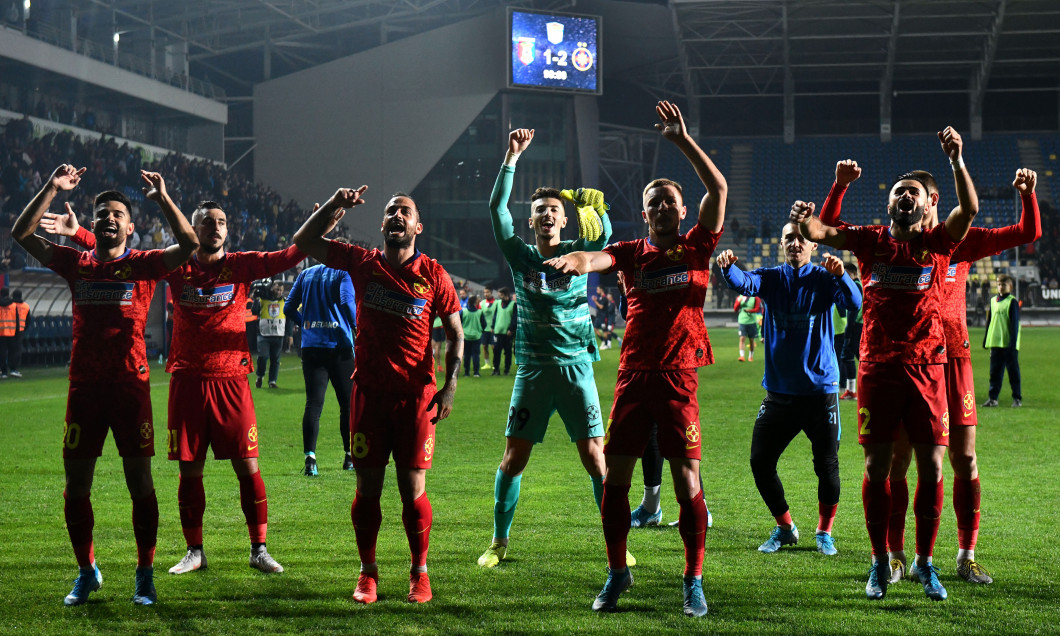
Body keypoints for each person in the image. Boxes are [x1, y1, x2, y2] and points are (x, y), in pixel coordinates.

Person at [43, 199, 304, 578]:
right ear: (192, 230)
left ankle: (259, 548)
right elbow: (118, 257)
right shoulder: (177, 267)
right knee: (189, 471)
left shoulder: (241, 265)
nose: (215, 227)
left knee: (248, 467)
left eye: (221, 221)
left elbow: (289, 255)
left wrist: (322, 222)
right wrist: (82, 235)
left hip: (232, 381)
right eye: (207, 222)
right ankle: (194, 550)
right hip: (187, 381)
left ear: (228, 230)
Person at [545, 101, 726, 617]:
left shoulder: (696, 247)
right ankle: (617, 571)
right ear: (644, 214)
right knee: (616, 480)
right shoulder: (630, 253)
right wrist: (571, 260)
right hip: (632, 379)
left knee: (687, 480)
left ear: (682, 210)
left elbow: (719, 191)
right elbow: (592, 258)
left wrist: (682, 141)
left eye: (669, 200)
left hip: (678, 379)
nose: (662, 207)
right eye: (654, 202)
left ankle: (693, 579)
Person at [819, 163, 1039, 585]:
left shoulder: (960, 241)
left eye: (921, 195)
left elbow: (1026, 233)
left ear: (933, 200)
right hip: (908, 362)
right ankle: (897, 557)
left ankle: (964, 555)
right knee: (898, 460)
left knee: (964, 459)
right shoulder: (901, 243)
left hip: (952, 360)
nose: (915, 202)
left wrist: (1028, 195)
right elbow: (829, 228)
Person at [793, 125, 979, 602]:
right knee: (878, 467)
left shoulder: (937, 242)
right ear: (890, 203)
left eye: (911, 191)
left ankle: (925, 562)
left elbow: (969, 211)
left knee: (932, 468)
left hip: (928, 368)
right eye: (897, 192)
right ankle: (880, 562)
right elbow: (820, 231)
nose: (903, 196)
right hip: (877, 368)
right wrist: (827, 197)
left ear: (924, 202)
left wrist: (956, 160)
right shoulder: (872, 241)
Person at [13, 164, 198, 606]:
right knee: (77, 485)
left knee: (140, 483)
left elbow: (190, 244)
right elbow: (22, 233)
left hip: (130, 390)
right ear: (92, 223)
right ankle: (86, 570)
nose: (108, 218)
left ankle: (145, 572)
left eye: (117, 213)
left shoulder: (144, 264)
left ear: (130, 227)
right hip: (84, 389)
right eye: (102, 212)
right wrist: (52, 187)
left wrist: (164, 199)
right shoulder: (76, 263)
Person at [294, 186, 463, 605]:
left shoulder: (435, 275)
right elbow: (305, 242)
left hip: (416, 399)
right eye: (390, 212)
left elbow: (456, 333)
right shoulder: (362, 263)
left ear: (418, 226)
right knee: (367, 489)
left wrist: (450, 386)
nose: (396, 216)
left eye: (404, 211)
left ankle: (419, 573)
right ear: (382, 224)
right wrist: (334, 204)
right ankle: (368, 573)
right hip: (369, 394)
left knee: (412, 489)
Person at [476, 127, 617, 571]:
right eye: (540, 211)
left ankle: (615, 544)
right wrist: (511, 157)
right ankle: (499, 542)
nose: (548, 215)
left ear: (563, 219)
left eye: (555, 210)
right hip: (534, 372)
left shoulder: (579, 251)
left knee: (596, 459)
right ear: (532, 221)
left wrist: (593, 205)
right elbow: (497, 209)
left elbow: (605, 235)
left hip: (577, 369)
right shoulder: (520, 256)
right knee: (513, 459)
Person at [716, 224, 861, 557]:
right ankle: (785, 527)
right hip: (779, 393)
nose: (796, 244)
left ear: (812, 245)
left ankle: (824, 532)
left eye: (802, 239)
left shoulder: (824, 279)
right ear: (781, 244)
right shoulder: (771, 277)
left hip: (820, 392)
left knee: (827, 465)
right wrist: (728, 268)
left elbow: (853, 303)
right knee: (760, 461)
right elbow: (744, 282)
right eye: (789, 239)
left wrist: (841, 276)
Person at [284, 250, 358, 476]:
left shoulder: (305, 274)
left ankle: (310, 460)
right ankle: (349, 457)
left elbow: (288, 307)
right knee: (347, 404)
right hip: (339, 346)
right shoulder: (343, 273)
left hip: (312, 346)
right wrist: (357, 325)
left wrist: (305, 323)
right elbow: (346, 302)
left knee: (313, 404)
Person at [983, 274, 1022, 408]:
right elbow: (989, 322)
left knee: (1013, 372)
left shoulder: (1012, 301)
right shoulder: (993, 301)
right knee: (994, 373)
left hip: (1008, 344)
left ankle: (1017, 398)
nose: (1001, 286)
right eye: (999, 284)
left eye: (1004, 284)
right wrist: (985, 339)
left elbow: (1014, 325)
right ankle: (993, 399)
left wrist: (1013, 342)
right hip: (995, 342)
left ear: (1010, 286)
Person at [254, 280, 288, 389]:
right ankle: (260, 376)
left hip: (278, 334)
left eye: (281, 290)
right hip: (264, 334)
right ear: (272, 288)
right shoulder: (263, 299)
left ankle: (272, 382)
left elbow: (289, 318)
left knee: (275, 360)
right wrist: (255, 300)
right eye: (277, 289)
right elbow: (254, 311)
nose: (279, 292)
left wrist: (290, 334)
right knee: (263, 357)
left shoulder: (284, 301)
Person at [838, 261, 863, 400]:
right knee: (848, 356)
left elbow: (854, 310)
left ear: (853, 273)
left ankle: (854, 390)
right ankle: (851, 390)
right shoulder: (856, 286)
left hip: (856, 326)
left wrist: (848, 330)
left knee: (857, 356)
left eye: (847, 274)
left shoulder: (856, 286)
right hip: (855, 326)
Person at [490, 287, 516, 375]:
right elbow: (495, 316)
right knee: (496, 352)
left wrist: (511, 329)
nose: (498, 296)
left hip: (507, 333)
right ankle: (496, 370)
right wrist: (493, 326)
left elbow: (514, 318)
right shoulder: (498, 303)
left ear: (505, 294)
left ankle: (507, 370)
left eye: (500, 294)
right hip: (498, 331)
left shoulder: (513, 305)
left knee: (507, 352)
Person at [461, 295, 485, 377]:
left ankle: (466, 372)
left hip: (466, 336)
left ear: (468, 302)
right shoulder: (480, 312)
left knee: (466, 355)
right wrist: (480, 330)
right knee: (475, 355)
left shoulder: (464, 312)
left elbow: (459, 322)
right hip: (476, 336)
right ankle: (476, 372)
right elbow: (484, 324)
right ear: (475, 302)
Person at [734, 293, 761, 361]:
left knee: (751, 340)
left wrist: (749, 311)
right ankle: (742, 356)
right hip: (742, 321)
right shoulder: (740, 297)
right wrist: (738, 302)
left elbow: (757, 309)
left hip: (752, 321)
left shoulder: (756, 297)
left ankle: (750, 356)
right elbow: (735, 309)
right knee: (742, 338)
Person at [481, 287, 496, 370]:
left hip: (493, 329)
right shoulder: (482, 303)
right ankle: (487, 364)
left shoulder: (497, 303)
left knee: (494, 347)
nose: (486, 294)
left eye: (487, 292)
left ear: (491, 292)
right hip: (484, 329)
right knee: (484, 346)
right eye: (484, 292)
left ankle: (495, 363)